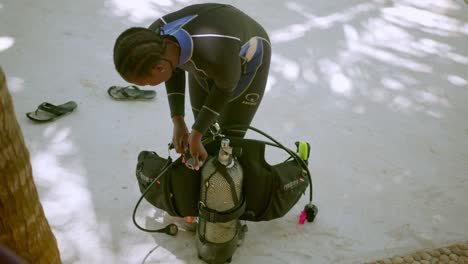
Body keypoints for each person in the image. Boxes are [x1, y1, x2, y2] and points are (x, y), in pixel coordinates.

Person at [113, 3, 271, 170]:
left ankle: (227, 190)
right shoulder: (153, 40)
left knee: (228, 144)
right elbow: (174, 67)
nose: (146, 86)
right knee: (205, 137)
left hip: (247, 58)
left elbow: (225, 88)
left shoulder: (213, 52)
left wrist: (195, 135)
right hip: (210, 56)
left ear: (159, 68)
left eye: (145, 82)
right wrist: (178, 121)